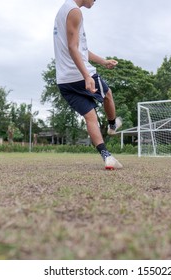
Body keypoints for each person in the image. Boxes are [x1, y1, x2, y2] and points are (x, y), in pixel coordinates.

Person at [53, 0, 123, 170]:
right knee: (108, 94)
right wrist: (86, 75)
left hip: (64, 81)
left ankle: (106, 156)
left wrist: (104, 61)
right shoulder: (74, 11)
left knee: (90, 117)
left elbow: (81, 50)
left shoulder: (64, 10)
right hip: (78, 74)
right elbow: (72, 48)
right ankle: (113, 125)